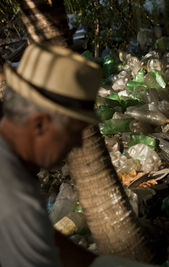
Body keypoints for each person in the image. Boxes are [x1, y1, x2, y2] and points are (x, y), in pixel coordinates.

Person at [0, 43, 102, 267]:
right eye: (73, 132)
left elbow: (49, 242)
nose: (77, 142)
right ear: (39, 124)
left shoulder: (13, 167)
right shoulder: (13, 198)